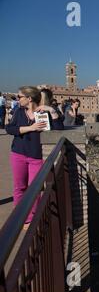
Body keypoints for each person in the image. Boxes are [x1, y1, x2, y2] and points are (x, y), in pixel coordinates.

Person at [6, 86, 48, 230]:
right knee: (19, 187)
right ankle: (21, 217)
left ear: (29, 98)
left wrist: (52, 111)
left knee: (34, 188)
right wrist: (31, 128)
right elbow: (9, 129)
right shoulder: (19, 112)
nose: (18, 99)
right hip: (18, 153)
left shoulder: (43, 113)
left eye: (20, 97)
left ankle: (33, 217)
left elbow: (59, 127)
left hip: (36, 156)